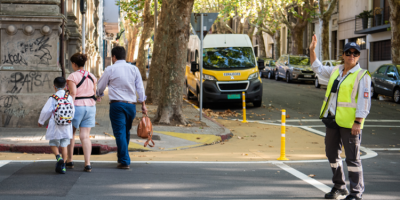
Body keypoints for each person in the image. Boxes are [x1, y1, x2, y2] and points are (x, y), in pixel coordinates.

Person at [310, 35, 371, 200]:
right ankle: (339, 187)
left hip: (351, 123)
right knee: (332, 154)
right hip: (332, 120)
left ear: (359, 56)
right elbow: (318, 68)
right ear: (343, 55)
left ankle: (356, 193)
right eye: (348, 53)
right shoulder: (336, 71)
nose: (352, 56)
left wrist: (358, 122)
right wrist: (312, 50)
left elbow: (364, 102)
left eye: (355, 54)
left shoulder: (362, 75)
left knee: (352, 158)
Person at [96, 46, 147, 169]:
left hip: (117, 105)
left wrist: (99, 95)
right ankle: (121, 156)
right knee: (125, 131)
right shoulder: (134, 69)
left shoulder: (110, 69)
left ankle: (124, 160)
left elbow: (100, 86)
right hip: (131, 106)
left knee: (119, 132)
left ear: (114, 57)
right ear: (125, 56)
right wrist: (143, 104)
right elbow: (140, 88)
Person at [66, 53, 97, 172]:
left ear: (74, 64)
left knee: (71, 134)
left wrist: (69, 107)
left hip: (76, 106)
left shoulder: (72, 77)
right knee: (85, 136)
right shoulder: (92, 76)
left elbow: (73, 93)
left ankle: (70, 160)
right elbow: (94, 93)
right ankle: (87, 163)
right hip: (90, 107)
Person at [38, 77, 74, 174]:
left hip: (55, 124)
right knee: (64, 145)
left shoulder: (53, 98)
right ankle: (63, 167)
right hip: (67, 125)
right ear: (65, 86)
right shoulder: (69, 97)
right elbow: (72, 111)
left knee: (53, 143)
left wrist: (41, 121)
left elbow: (46, 111)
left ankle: (58, 157)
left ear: (54, 87)